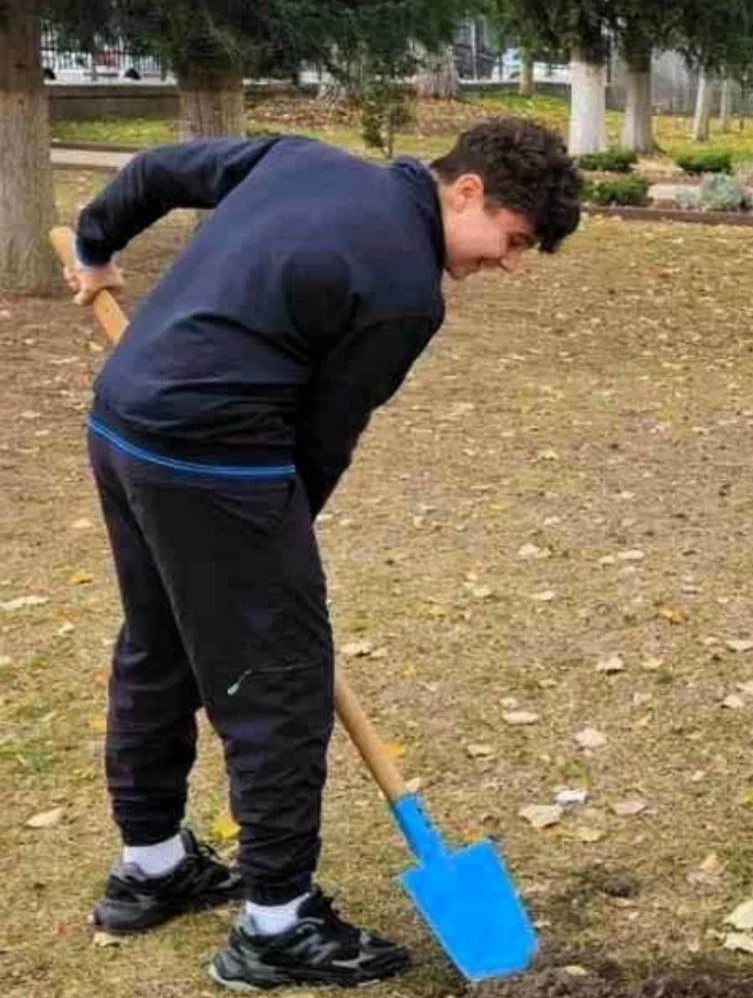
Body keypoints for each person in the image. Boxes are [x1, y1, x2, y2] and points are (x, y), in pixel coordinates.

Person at [66, 117, 582, 990]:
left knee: (158, 647)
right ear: (466, 191)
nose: (509, 261)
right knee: (280, 683)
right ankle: (277, 924)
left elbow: (154, 171)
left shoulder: (300, 160)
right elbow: (322, 440)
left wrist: (94, 244)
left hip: (123, 424)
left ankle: (151, 867)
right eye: (513, 238)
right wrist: (274, 551)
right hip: (213, 460)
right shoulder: (404, 292)